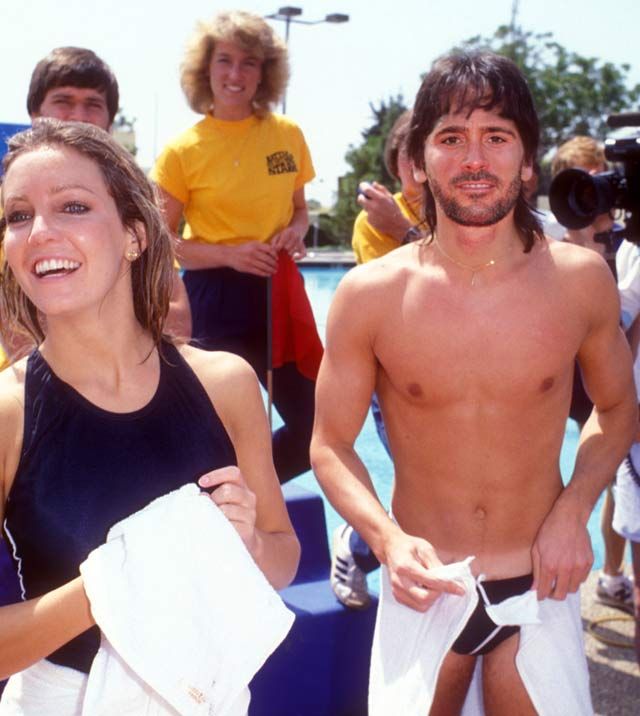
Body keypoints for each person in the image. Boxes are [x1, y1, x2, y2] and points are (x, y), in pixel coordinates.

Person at [311, 51, 637, 714]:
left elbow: (615, 410)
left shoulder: (579, 282)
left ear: (526, 158)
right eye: (451, 139)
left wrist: (575, 510)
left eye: (496, 136)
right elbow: (330, 444)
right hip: (426, 585)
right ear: (418, 161)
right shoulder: (370, 294)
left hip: (540, 589)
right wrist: (386, 539)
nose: (474, 159)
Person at [0, 120, 299, 707]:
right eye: (17, 216)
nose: (40, 233)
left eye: (73, 206)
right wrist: (114, 584)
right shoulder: (9, 413)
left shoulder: (226, 385)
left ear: (135, 235)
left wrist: (248, 543)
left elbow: (282, 558)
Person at [151, 11, 321, 484]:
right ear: (205, 69)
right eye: (224, 60)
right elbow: (161, 242)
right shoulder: (182, 151)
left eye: (249, 63)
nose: (235, 74)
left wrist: (297, 231)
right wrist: (230, 254)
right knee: (212, 432)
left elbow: (300, 211)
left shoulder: (288, 135)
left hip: (279, 293)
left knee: (317, 429)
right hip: (214, 296)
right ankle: (219, 513)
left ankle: (247, 490)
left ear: (265, 73)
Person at [0, 47, 191, 372]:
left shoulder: (131, 207)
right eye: (63, 101)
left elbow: (177, 318)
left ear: (108, 121)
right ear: (35, 115)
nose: (77, 115)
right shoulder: (8, 206)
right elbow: (15, 328)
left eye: (93, 104)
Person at [331, 110, 425, 609]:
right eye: (408, 154)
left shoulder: (462, 211)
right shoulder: (377, 221)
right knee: (421, 485)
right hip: (398, 380)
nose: (418, 165)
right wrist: (405, 227)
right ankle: (359, 545)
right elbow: (408, 296)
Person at [549, 135, 634, 614]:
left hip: (604, 370)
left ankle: (611, 573)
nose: (598, 188)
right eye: (586, 177)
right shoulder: (554, 244)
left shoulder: (626, 240)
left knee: (610, 474)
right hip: (567, 376)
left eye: (602, 174)